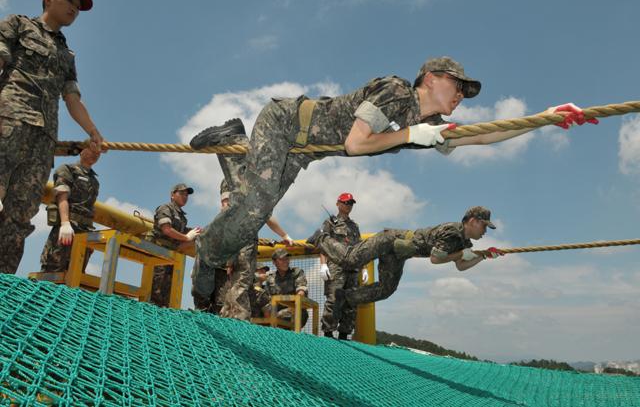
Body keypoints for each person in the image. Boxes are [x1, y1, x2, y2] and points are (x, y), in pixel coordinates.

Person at [190, 56, 596, 299]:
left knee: (253, 207)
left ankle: (234, 140)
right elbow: (355, 143)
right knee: (254, 208)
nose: (461, 96)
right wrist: (411, 135)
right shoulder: (396, 91)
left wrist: (545, 118)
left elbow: (485, 135)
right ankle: (207, 255)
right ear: (431, 79)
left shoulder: (429, 124)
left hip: (301, 150)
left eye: (465, 93)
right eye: (457, 86)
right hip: (284, 123)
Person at [0, 0, 105, 274]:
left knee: (20, 215)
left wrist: (93, 132)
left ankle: (3, 286)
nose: (75, 8)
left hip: (43, 139)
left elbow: (71, 98)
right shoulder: (18, 25)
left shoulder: (66, 55)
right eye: (70, 0)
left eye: (79, 6)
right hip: (9, 121)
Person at [313, 206, 504, 321]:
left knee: (386, 289)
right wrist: (461, 254)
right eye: (484, 226)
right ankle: (321, 238)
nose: (485, 231)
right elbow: (436, 259)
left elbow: (461, 265)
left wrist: (483, 256)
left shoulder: (464, 242)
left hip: (399, 252)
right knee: (351, 259)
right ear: (472, 221)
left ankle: (344, 297)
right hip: (390, 240)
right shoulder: (452, 232)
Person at [218, 179, 294, 321]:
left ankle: (230, 317)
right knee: (239, 281)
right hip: (238, 238)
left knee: (243, 282)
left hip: (249, 241)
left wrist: (284, 235)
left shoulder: (255, 182)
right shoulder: (232, 179)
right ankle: (238, 321)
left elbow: (266, 215)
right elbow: (225, 207)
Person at [40, 146, 100, 272]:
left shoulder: (94, 181)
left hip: (84, 231)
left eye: (98, 153)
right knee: (53, 271)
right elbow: (62, 196)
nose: (96, 154)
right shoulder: (67, 169)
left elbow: (88, 208)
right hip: (68, 227)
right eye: (92, 150)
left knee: (76, 275)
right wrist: (65, 223)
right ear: (82, 151)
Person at [318, 192, 364, 340]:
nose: (348, 206)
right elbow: (323, 244)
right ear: (338, 204)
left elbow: (359, 248)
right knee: (333, 299)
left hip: (353, 268)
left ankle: (344, 334)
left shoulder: (355, 226)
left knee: (351, 300)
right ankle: (328, 333)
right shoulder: (330, 223)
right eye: (345, 202)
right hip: (336, 265)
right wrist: (323, 265)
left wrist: (362, 268)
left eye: (350, 203)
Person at [148, 183, 201, 307]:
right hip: (159, 254)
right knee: (156, 292)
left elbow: (180, 230)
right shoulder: (165, 208)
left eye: (186, 195)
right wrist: (187, 237)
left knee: (167, 295)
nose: (185, 197)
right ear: (172, 195)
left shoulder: (181, 216)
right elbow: (167, 229)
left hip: (171, 256)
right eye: (181, 193)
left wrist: (196, 231)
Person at [264, 248, 309, 327]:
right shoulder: (270, 278)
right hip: (276, 311)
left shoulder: (296, 272)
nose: (286, 262)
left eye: (287, 259)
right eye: (282, 259)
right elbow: (267, 299)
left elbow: (301, 292)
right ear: (274, 262)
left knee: (281, 316)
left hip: (296, 310)